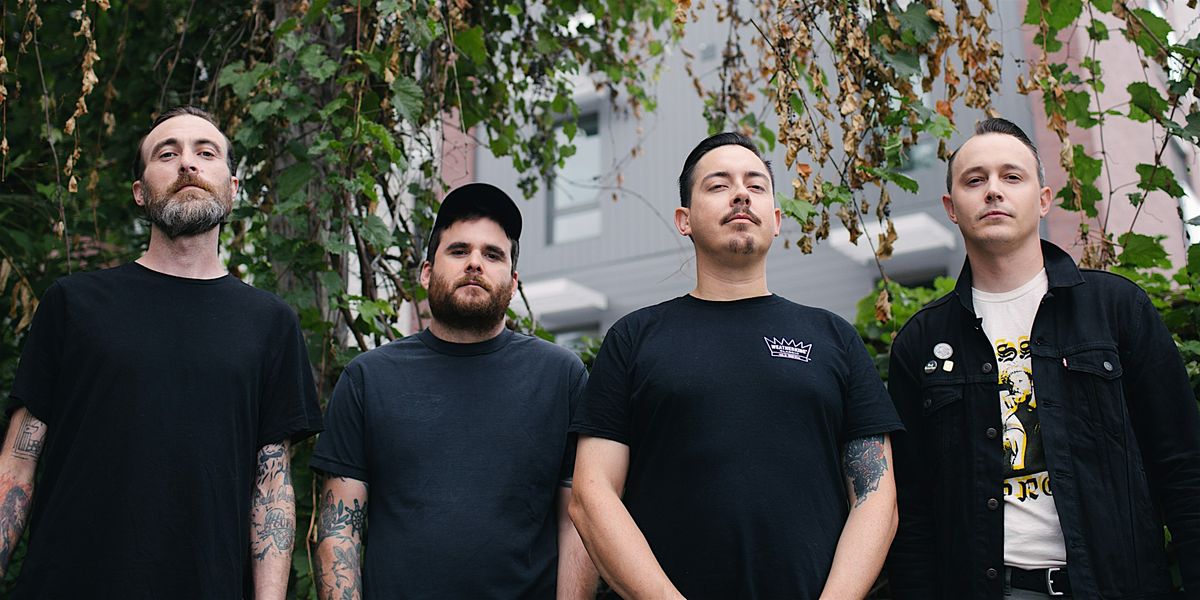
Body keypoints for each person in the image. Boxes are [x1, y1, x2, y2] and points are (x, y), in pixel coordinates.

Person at [0, 106, 323, 598]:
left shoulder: (270, 323)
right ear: (139, 191)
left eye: (206, 153)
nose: (187, 163)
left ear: (233, 188)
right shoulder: (74, 304)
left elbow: (271, 489)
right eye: (167, 154)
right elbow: (18, 462)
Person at [568, 132, 903, 599]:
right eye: (718, 185)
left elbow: (876, 497)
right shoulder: (633, 339)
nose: (741, 194)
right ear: (684, 219)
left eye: (756, 185)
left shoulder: (834, 337)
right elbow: (591, 494)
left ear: (777, 220)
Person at [887, 117, 1200, 598]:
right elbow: (912, 512)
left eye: (1012, 176)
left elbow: (1183, 467)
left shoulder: (1116, 310)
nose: (994, 190)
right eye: (975, 180)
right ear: (951, 207)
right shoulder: (921, 343)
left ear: (1043, 198)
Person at [311, 182, 596, 599]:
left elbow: (578, 521)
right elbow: (340, 532)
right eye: (459, 250)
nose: (475, 263)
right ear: (427, 272)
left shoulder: (561, 377)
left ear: (513, 281)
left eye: (493, 254)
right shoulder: (368, 379)